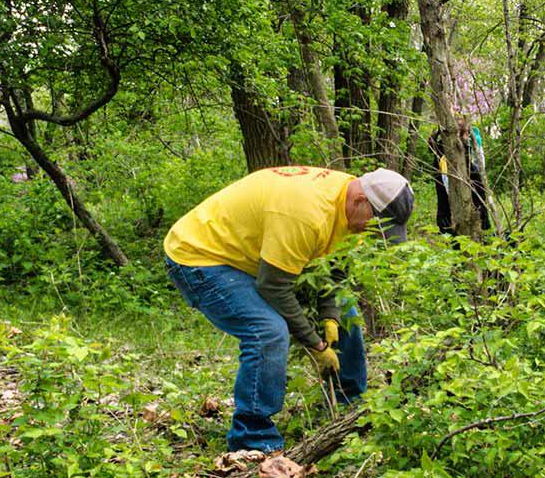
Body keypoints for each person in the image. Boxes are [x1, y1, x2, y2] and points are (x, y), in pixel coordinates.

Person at [165, 166, 412, 452]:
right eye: (376, 224)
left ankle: (349, 410)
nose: (372, 233)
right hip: (200, 256)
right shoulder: (305, 213)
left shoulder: (351, 202)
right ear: (360, 201)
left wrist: (330, 316)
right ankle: (252, 439)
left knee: (347, 312)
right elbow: (274, 287)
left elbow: (334, 271)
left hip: (258, 257)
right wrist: (316, 344)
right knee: (268, 330)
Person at [429, 122, 491, 235]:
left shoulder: (468, 147)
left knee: (476, 197)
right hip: (446, 176)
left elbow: (480, 162)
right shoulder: (442, 148)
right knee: (444, 204)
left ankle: (480, 224)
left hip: (466, 176)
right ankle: (447, 229)